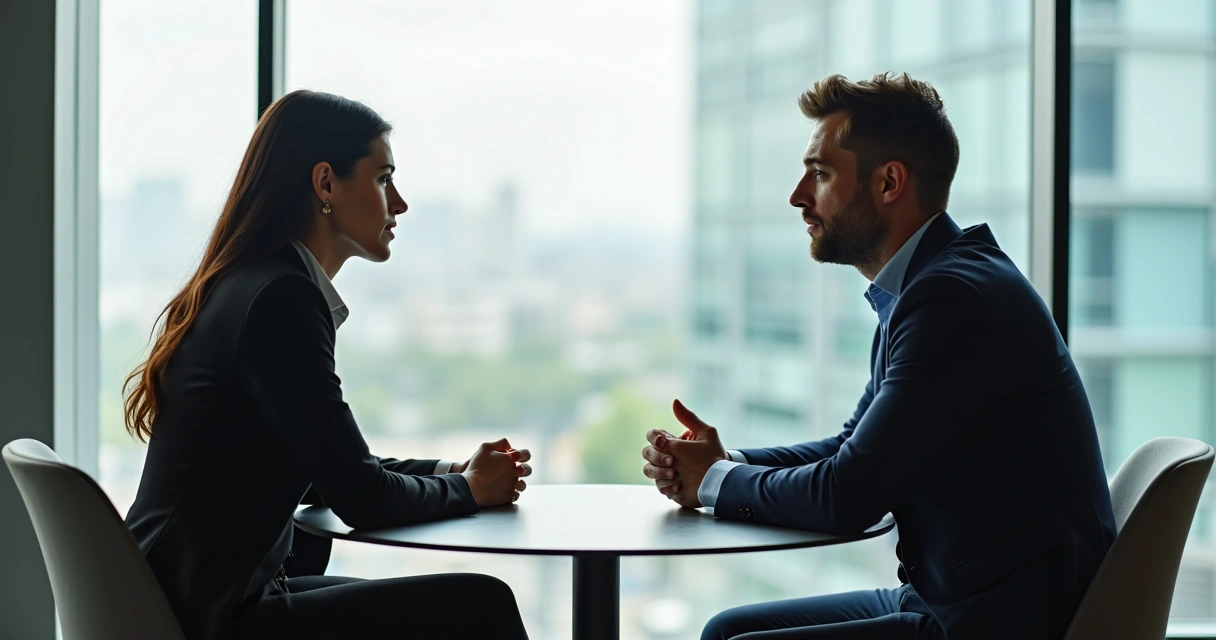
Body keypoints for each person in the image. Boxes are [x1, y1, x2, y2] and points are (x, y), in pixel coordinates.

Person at [641, 72, 1116, 639]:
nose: (798, 195)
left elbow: (849, 494)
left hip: (995, 621)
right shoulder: (925, 288)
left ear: (889, 182)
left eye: (819, 173)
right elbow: (853, 447)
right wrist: (728, 461)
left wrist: (715, 480)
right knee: (725, 630)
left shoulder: (951, 301)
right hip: (953, 598)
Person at [122, 90, 531, 640]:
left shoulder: (252, 284)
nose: (400, 203)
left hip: (185, 597)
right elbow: (360, 496)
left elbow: (327, 467)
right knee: (483, 603)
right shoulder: (281, 300)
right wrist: (472, 490)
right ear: (325, 184)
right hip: (215, 616)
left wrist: (451, 473)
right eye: (384, 178)